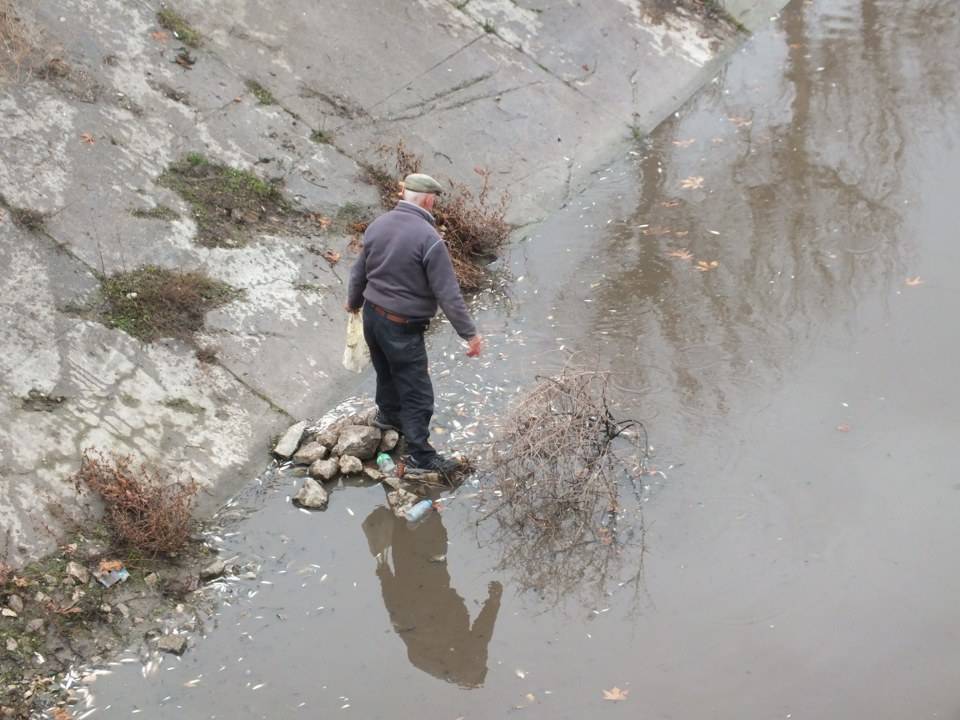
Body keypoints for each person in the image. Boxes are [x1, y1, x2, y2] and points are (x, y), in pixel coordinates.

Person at [346, 172, 483, 475]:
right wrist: (469, 334)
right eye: (434, 199)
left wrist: (353, 303)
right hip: (401, 325)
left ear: (404, 194)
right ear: (428, 199)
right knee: (417, 390)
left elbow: (359, 271)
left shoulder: (378, 225)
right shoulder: (428, 238)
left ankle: (388, 418)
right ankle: (421, 454)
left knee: (385, 369)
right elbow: (448, 293)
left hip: (372, 315)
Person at [362, 506, 502, 687]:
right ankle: (409, 502)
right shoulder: (425, 660)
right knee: (409, 530)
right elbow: (397, 616)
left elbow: (482, 633)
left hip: (430, 584)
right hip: (422, 588)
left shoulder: (462, 662)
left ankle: (412, 501)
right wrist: (384, 575)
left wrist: (494, 602)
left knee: (421, 527)